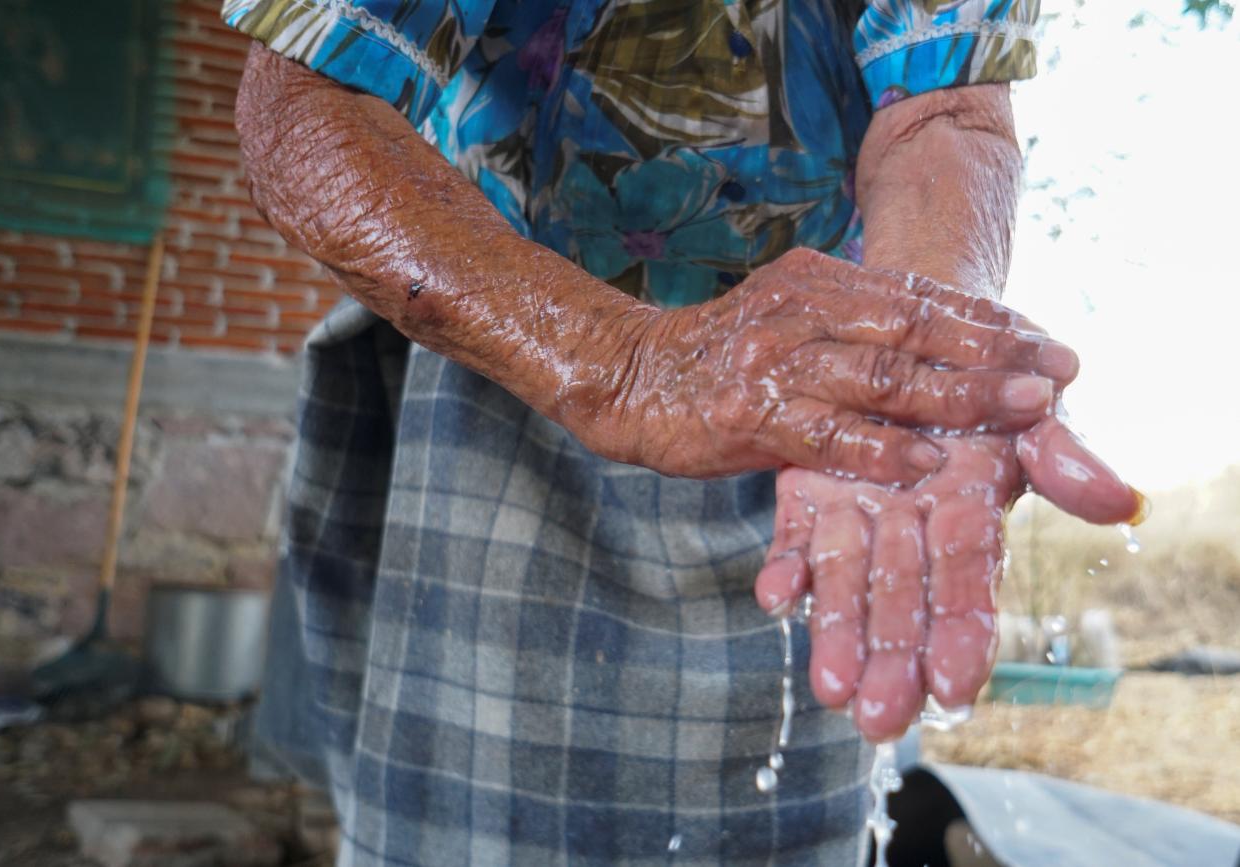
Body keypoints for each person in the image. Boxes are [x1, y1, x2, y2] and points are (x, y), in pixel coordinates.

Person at [225, 0, 1143, 863]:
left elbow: (941, 113)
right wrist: (627, 368)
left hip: (812, 407)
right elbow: (304, 102)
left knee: (797, 800)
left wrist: (927, 355)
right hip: (513, 345)